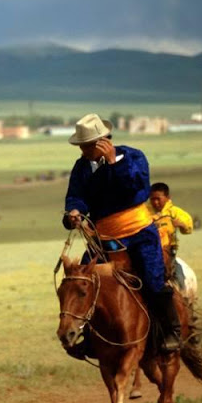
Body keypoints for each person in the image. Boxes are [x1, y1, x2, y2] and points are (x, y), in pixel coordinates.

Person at [62, 113, 181, 352]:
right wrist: (74, 211)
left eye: (85, 146)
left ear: (102, 142)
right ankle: (90, 337)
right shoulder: (81, 167)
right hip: (102, 238)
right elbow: (76, 195)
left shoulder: (133, 157)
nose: (82, 151)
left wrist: (115, 164)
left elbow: (137, 187)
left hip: (138, 234)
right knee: (81, 280)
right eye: (81, 146)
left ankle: (170, 331)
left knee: (152, 279)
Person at [148, 182, 194, 288]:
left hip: (168, 251)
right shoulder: (144, 212)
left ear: (168, 197)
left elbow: (188, 228)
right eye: (152, 199)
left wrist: (181, 224)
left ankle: (183, 293)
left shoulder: (174, 212)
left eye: (158, 199)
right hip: (149, 251)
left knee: (178, 276)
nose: (155, 202)